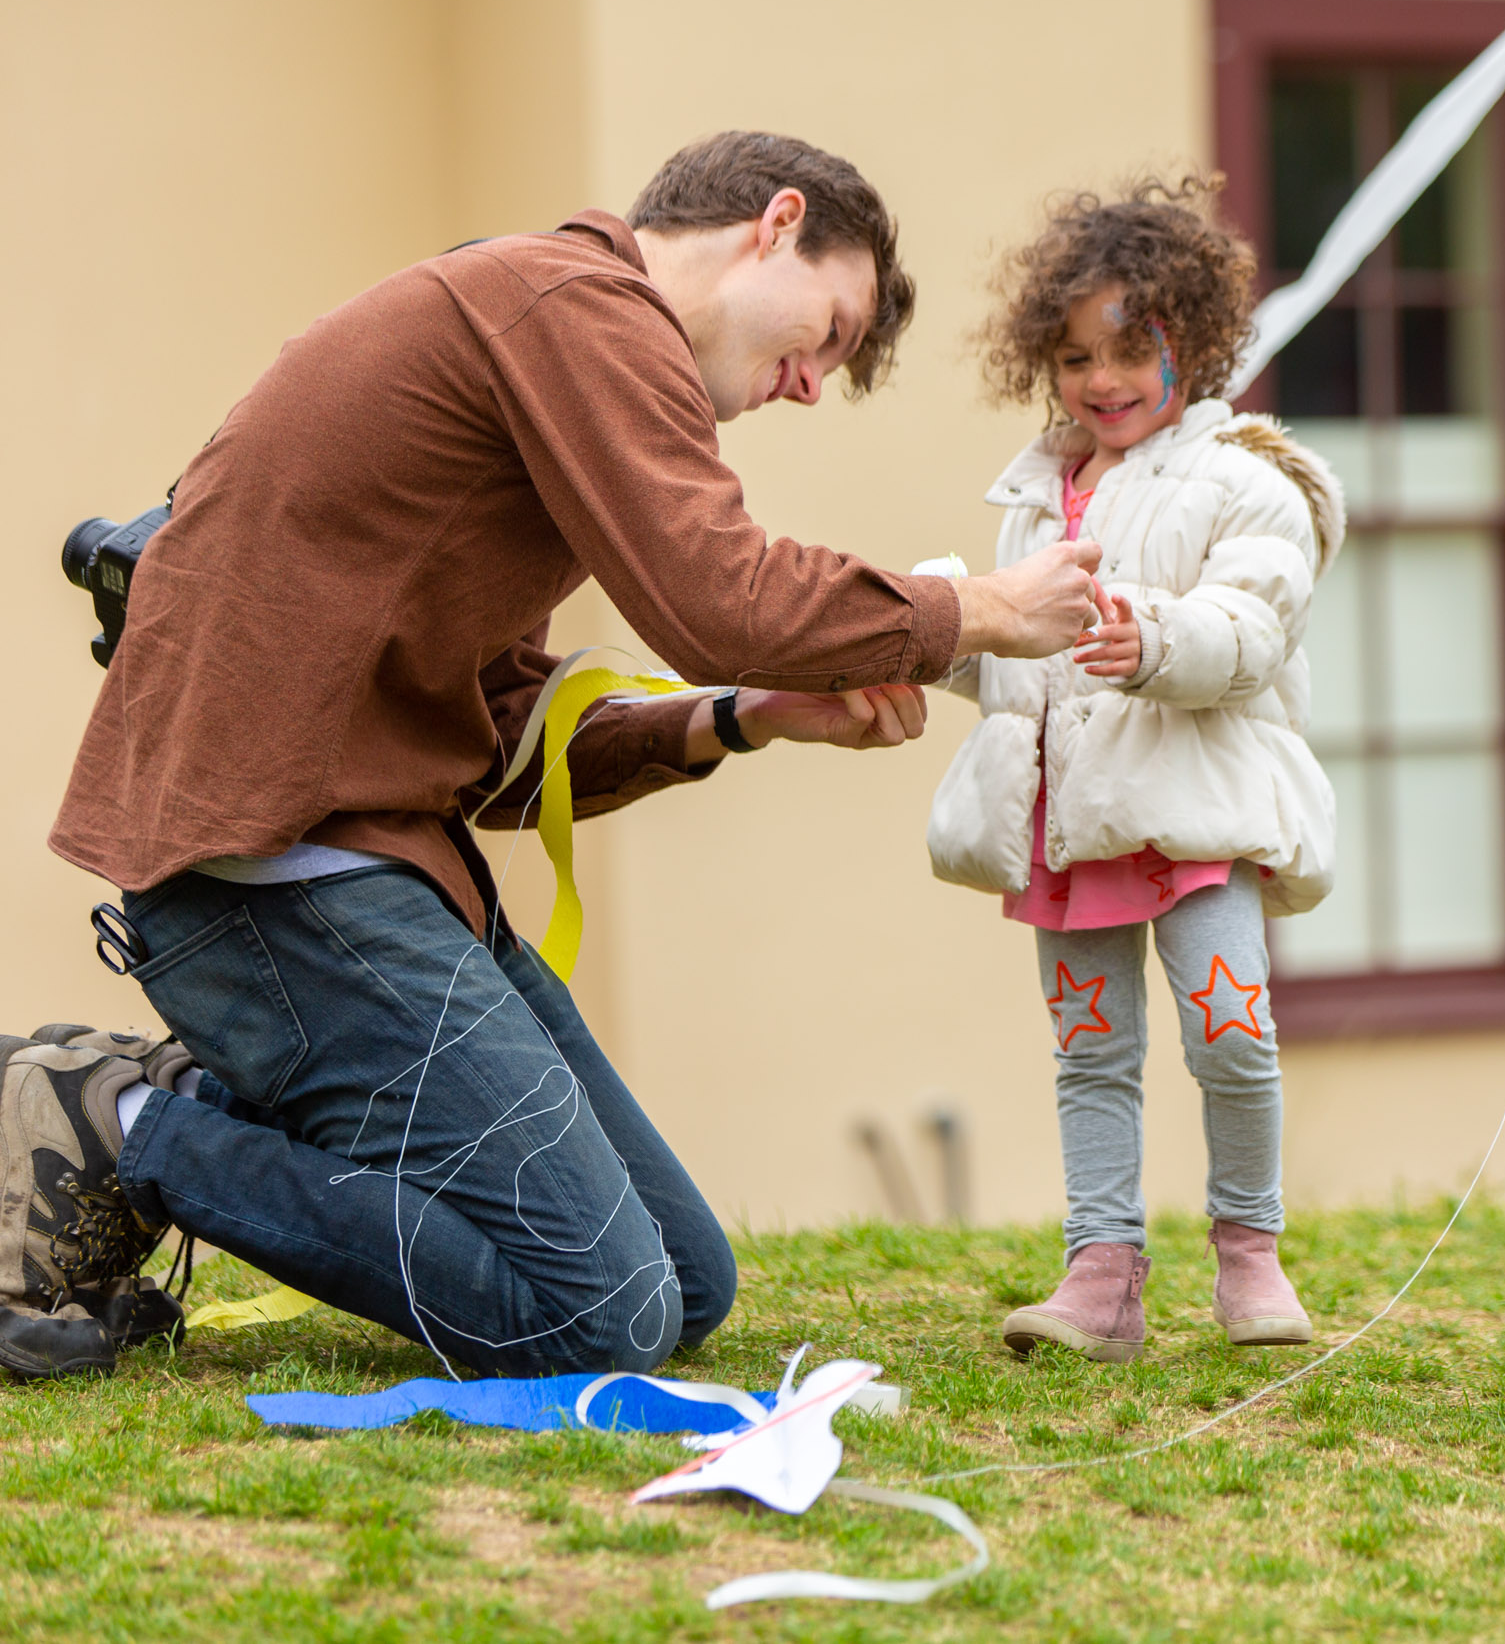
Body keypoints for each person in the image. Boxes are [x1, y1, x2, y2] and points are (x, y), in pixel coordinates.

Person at [4, 131, 1108, 1382]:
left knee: (687, 1282)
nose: (814, 385)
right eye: (835, 330)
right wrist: (981, 612)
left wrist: (745, 712)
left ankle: (202, 1105)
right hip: (277, 883)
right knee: (598, 1318)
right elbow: (720, 595)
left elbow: (501, 754)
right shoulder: (577, 307)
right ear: (776, 221)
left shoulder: (545, 342)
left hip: (376, 875)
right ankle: (118, 1123)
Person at [927, 177, 1342, 1362]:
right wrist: (940, 633)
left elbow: (1252, 626)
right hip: (1074, 825)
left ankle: (1249, 1251)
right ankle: (1101, 1275)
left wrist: (1154, 640)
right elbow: (1024, 667)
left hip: (1195, 814)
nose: (1100, 378)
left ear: (1192, 343)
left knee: (1232, 1032)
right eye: (1072, 356)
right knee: (1090, 1051)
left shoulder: (1245, 481)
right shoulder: (1033, 499)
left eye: (1128, 348)